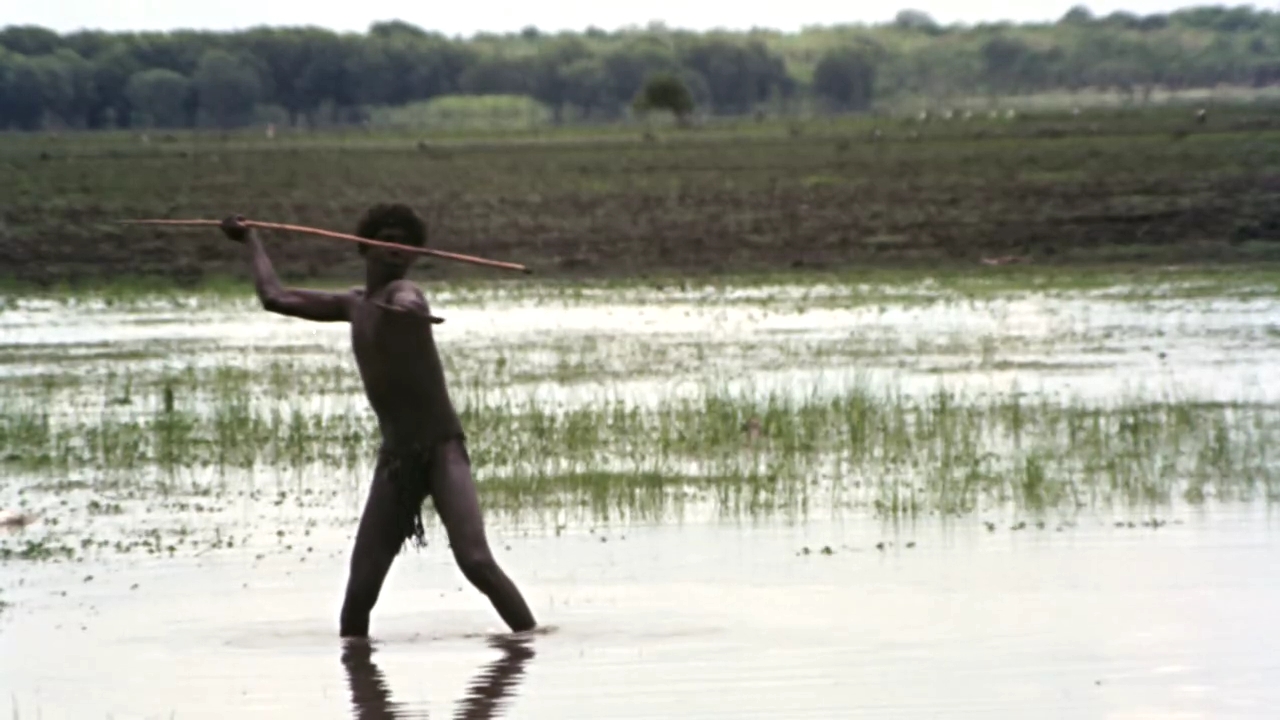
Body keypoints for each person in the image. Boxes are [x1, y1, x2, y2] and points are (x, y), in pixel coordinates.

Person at [218, 204, 536, 638]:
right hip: (396, 459)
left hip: (442, 449)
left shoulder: (405, 295)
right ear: (364, 246)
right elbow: (276, 298)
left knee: (476, 561)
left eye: (406, 243)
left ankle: (530, 646)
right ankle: (362, 688)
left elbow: (409, 298)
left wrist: (408, 310)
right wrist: (250, 239)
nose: (396, 248)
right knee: (360, 590)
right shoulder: (354, 304)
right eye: (387, 238)